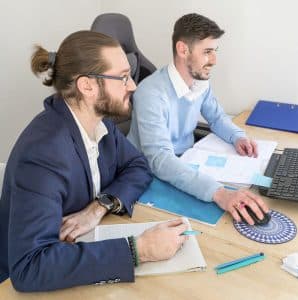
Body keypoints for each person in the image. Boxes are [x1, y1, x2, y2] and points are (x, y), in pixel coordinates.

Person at [0, 30, 189, 292]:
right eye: (123, 77)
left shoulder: (101, 125)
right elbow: (30, 267)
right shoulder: (42, 154)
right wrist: (138, 250)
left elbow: (137, 166)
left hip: (77, 255)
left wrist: (99, 207)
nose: (133, 85)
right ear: (87, 86)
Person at [127, 13, 269, 225]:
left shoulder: (199, 81)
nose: (214, 60)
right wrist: (220, 194)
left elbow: (217, 116)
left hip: (188, 162)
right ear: (183, 50)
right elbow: (160, 160)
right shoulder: (151, 94)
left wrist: (237, 137)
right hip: (149, 174)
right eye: (207, 52)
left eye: (215, 51)